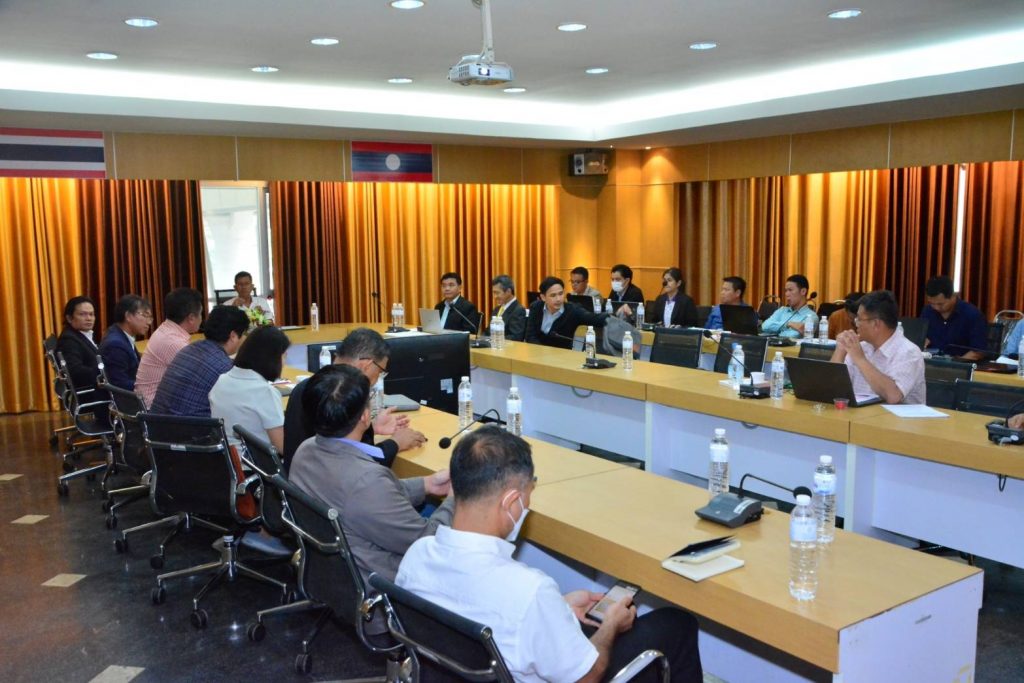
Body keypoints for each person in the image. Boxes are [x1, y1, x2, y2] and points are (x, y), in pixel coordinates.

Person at [397, 426, 703, 683]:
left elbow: (489, 612)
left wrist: (560, 607)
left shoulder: (417, 556)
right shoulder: (529, 590)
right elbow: (587, 676)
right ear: (511, 501)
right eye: (528, 495)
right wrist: (611, 625)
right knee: (677, 623)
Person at [289, 364, 453, 585]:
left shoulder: (306, 449)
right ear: (366, 416)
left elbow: (375, 499)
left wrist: (427, 484)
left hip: (329, 573)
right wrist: (456, 500)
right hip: (381, 584)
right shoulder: (366, 481)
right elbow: (428, 543)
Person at [283, 327, 426, 465]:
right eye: (380, 371)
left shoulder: (311, 385)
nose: (378, 378)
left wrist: (368, 427)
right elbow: (359, 462)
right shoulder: (340, 394)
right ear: (366, 365)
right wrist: (396, 443)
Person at [150, 305, 248, 417]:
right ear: (233, 336)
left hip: (155, 423)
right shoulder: (225, 368)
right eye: (244, 334)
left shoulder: (188, 349)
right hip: (188, 427)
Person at [830, 290, 925, 404]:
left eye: (859, 319)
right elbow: (831, 388)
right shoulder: (861, 347)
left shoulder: (908, 352)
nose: (856, 323)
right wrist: (840, 351)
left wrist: (860, 359)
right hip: (858, 413)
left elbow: (893, 396)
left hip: (893, 415)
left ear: (876, 323)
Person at [210, 326, 291, 453]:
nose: (285, 362)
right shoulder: (265, 392)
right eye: (284, 356)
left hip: (226, 460)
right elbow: (283, 447)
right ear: (273, 359)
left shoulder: (221, 380)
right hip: (255, 463)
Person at [135, 287, 205, 407]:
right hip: (155, 410)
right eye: (201, 314)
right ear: (191, 318)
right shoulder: (174, 342)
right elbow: (202, 377)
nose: (201, 318)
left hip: (148, 403)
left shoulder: (166, 329)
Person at [525, 276, 608, 349]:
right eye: (553, 295)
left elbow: (594, 318)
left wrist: (613, 317)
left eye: (561, 294)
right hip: (537, 354)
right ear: (543, 297)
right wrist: (543, 352)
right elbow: (530, 336)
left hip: (562, 356)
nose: (558, 299)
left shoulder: (572, 311)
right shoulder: (536, 307)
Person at [921, 276, 988, 361]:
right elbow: (921, 339)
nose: (936, 308)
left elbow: (978, 352)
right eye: (931, 303)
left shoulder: (972, 315)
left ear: (953, 296)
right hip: (931, 362)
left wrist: (956, 363)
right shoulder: (927, 311)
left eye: (940, 304)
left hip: (961, 364)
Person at [97, 295, 152, 391]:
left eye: (150, 318)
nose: (149, 322)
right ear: (128, 316)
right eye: (145, 315)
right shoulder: (115, 345)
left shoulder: (121, 335)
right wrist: (150, 386)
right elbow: (120, 384)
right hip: (123, 398)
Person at [56, 296, 102, 391]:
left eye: (91, 314)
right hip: (93, 391)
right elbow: (75, 372)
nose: (89, 318)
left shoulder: (81, 334)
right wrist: (106, 372)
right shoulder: (68, 340)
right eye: (82, 314)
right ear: (69, 318)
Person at [488, 274, 526, 341]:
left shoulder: (519, 310)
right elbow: (488, 331)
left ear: (508, 291)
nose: (495, 296)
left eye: (497, 293)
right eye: (493, 293)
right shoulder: (496, 309)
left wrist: (494, 339)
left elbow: (516, 337)